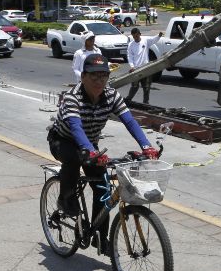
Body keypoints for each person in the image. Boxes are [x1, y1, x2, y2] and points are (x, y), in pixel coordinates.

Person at [48, 53, 160, 255]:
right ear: (83, 77)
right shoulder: (72, 97)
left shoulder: (111, 95)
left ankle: (101, 238)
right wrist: (91, 151)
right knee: (74, 157)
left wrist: (146, 146)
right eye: (93, 76)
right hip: (62, 141)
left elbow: (129, 120)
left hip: (90, 143)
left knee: (103, 187)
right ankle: (65, 198)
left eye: (103, 76)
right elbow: (75, 128)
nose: (99, 81)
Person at [126, 28, 163, 104]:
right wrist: (132, 66)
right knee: (134, 87)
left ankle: (146, 103)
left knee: (146, 87)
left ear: (140, 34)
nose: (135, 38)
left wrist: (159, 35)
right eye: (134, 37)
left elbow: (153, 39)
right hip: (136, 69)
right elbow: (130, 56)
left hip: (146, 68)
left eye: (136, 36)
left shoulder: (145, 41)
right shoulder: (131, 45)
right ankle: (128, 100)